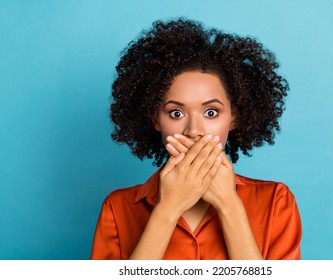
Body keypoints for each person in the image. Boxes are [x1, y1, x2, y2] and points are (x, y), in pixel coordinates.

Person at [91, 18, 302, 260]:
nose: (194, 130)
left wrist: (228, 204)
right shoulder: (118, 208)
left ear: (233, 118)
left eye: (211, 112)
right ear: (155, 120)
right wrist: (167, 210)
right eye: (176, 113)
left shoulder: (276, 201)